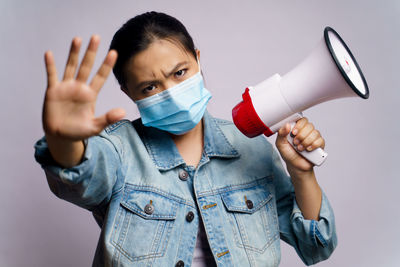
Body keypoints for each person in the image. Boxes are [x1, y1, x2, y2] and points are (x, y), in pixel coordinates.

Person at [34, 11, 337, 267]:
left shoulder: (251, 146)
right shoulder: (118, 149)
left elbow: (316, 246)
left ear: (198, 60)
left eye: (180, 73)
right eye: (150, 87)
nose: (171, 93)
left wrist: (302, 172)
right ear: (128, 92)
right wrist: (64, 141)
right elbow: (80, 177)